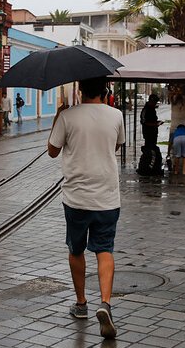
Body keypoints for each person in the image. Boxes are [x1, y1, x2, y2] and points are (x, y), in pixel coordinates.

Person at [48, 77, 125, 340]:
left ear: (80, 90)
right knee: (105, 250)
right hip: (107, 197)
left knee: (76, 249)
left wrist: (58, 116)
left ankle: (81, 303)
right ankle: (105, 303)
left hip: (76, 198)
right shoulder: (116, 115)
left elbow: (52, 151)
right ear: (105, 90)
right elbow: (116, 145)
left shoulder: (68, 117)